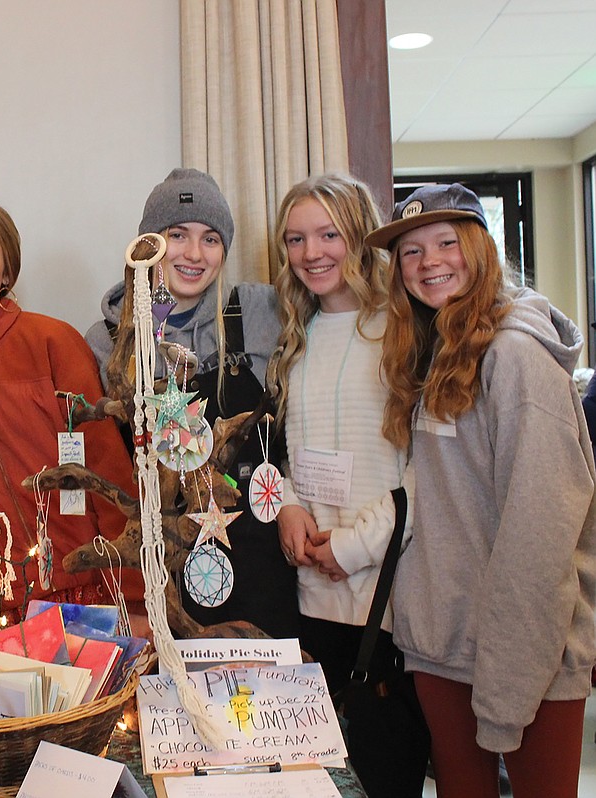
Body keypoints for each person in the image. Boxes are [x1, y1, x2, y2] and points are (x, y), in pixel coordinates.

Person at [373, 183, 596, 798]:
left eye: (447, 243)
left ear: (480, 247)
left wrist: (505, 694)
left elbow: (540, 537)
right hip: (445, 652)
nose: (429, 263)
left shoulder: (518, 359)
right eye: (411, 252)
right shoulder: (435, 354)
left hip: (529, 660)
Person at [86, 168, 297, 639]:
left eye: (211, 238)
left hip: (261, 562)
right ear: (148, 243)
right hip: (166, 575)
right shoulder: (107, 341)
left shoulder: (263, 311)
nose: (194, 254)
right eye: (176, 235)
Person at [272, 174, 422, 797]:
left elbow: (426, 472)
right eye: (296, 239)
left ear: (360, 236)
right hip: (310, 596)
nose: (313, 253)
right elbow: (287, 448)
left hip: (387, 601)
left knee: (385, 776)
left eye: (329, 234)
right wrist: (287, 505)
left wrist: (356, 546)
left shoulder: (405, 328)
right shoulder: (295, 336)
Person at [0, 201, 137, 616]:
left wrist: (133, 598)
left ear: (7, 273)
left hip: (81, 594)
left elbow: (107, 469)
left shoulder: (52, 342)